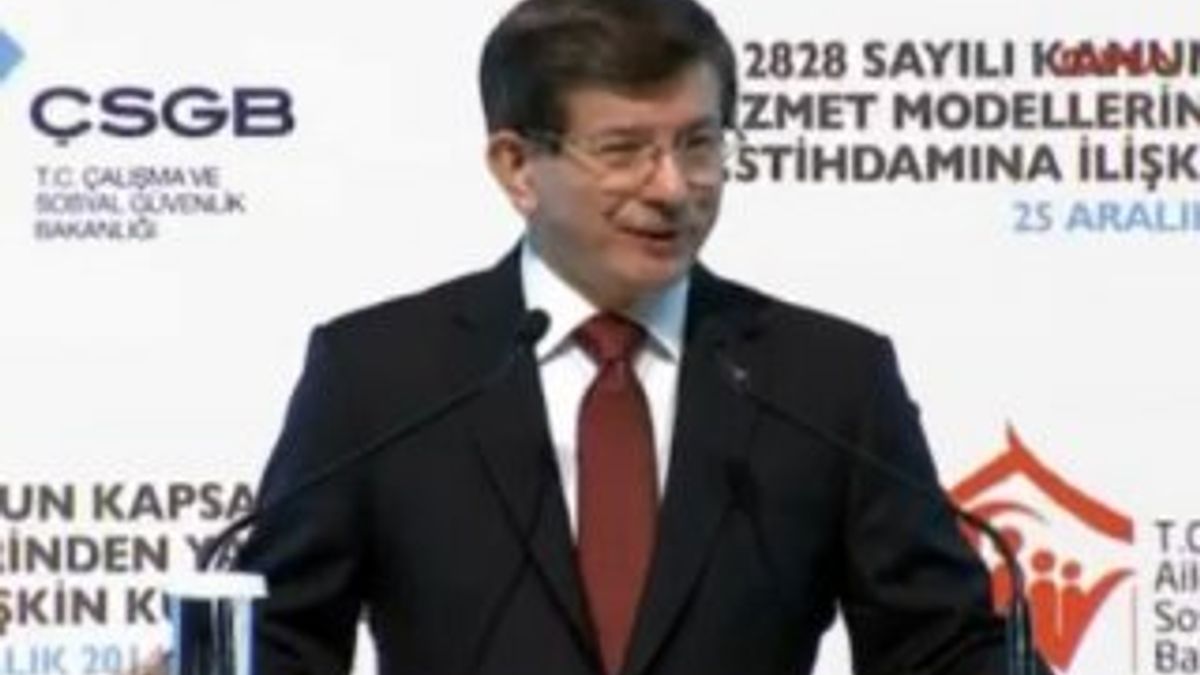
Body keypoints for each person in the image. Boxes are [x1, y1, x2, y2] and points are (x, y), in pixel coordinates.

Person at [231, 0, 1049, 673]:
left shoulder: (827, 380)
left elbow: (939, 648)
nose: (673, 187)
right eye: (623, 150)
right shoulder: (381, 376)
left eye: (700, 144)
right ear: (517, 166)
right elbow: (276, 640)